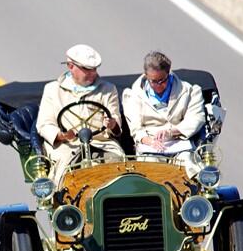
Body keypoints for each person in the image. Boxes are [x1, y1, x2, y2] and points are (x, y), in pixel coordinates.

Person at [36, 44, 125, 185]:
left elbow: (115, 121)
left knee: (118, 166)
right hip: (68, 144)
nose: (92, 74)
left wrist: (112, 124)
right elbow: (44, 124)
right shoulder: (52, 90)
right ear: (70, 66)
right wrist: (61, 135)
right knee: (64, 174)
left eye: (94, 69)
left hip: (100, 143)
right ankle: (62, 202)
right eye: (86, 69)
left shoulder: (108, 89)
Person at [122, 51, 205, 171]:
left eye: (162, 80)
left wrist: (172, 132)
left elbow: (196, 118)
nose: (158, 85)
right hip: (150, 146)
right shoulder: (133, 95)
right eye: (153, 81)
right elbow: (136, 129)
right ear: (146, 76)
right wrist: (150, 142)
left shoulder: (190, 91)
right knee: (152, 170)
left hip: (179, 142)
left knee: (191, 167)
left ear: (168, 74)